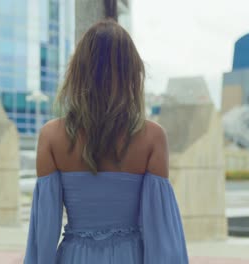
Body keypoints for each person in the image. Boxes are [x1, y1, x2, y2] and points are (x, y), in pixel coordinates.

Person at [24, 19, 188, 264]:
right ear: (133, 73)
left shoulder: (51, 136)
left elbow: (44, 234)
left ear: (77, 71)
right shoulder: (152, 137)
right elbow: (162, 236)